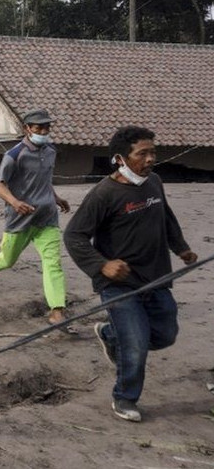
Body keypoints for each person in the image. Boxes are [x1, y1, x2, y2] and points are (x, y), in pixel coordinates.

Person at [64, 126, 196, 423]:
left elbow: (166, 218)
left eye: (153, 153)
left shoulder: (154, 183)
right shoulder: (104, 194)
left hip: (157, 277)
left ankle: (110, 334)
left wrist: (182, 248)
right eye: (142, 154)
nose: (150, 159)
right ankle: (125, 397)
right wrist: (102, 265)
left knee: (165, 335)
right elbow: (74, 236)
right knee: (135, 342)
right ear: (120, 159)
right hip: (119, 283)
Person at [0, 109, 72, 327]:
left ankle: (57, 311)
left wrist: (56, 198)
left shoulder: (50, 151)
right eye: (38, 128)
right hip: (19, 220)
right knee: (8, 260)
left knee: (53, 263)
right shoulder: (13, 155)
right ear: (27, 129)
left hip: (47, 217)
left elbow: (44, 179)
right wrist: (15, 203)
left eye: (46, 127)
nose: (43, 131)